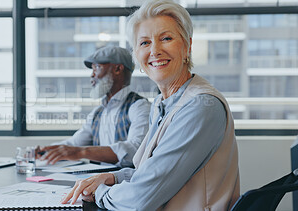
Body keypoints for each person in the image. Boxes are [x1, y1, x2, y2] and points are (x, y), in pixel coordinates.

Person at [61, 0, 240, 210]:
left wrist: (98, 192)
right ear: (136, 54)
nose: (155, 51)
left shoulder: (200, 106)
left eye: (166, 38)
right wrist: (111, 177)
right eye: (144, 42)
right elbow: (150, 172)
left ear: (187, 46)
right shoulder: (162, 103)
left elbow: (140, 199)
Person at [37, 46, 151, 168]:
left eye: (97, 67)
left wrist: (81, 152)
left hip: (126, 182)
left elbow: (136, 149)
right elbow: (74, 144)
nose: (92, 75)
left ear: (117, 69)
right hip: (98, 181)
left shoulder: (140, 107)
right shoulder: (98, 112)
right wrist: (44, 151)